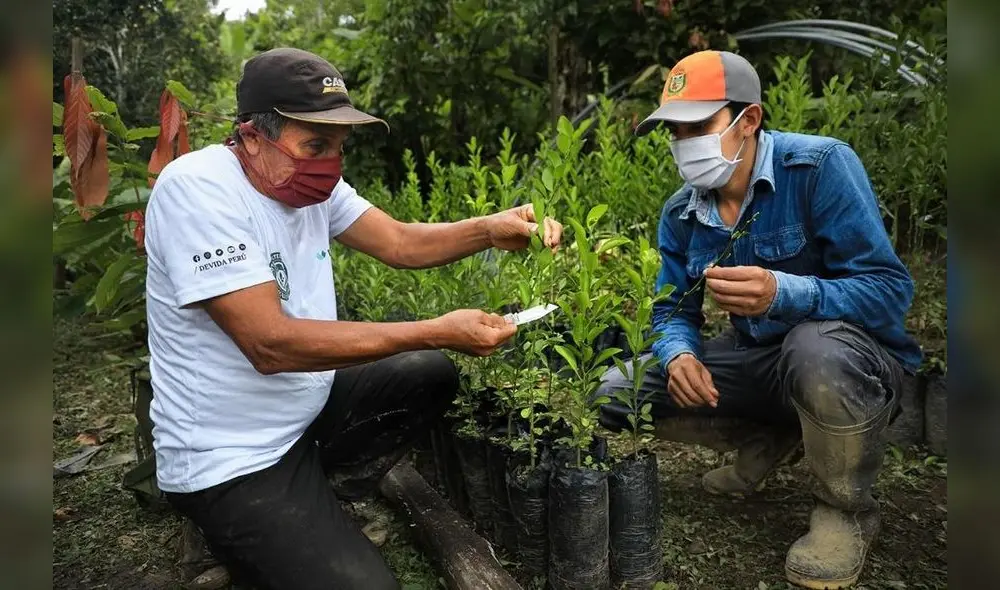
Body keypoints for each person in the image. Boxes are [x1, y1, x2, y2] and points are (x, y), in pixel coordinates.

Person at [143, 47, 563, 590]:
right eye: (316, 144)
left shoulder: (307, 180)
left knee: (425, 372)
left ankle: (316, 495)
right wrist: (435, 328)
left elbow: (399, 241)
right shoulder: (197, 190)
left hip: (301, 415)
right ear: (251, 135)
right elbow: (269, 345)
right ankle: (253, 519)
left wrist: (488, 228)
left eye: (339, 146)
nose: (330, 162)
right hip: (231, 456)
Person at [596, 50, 921, 590]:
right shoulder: (681, 212)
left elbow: (890, 293)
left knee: (812, 349)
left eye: (698, 125)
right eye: (674, 131)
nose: (684, 144)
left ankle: (845, 510)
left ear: (749, 120)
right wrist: (678, 352)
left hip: (849, 363)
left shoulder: (819, 168)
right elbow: (672, 310)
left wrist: (784, 292)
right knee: (613, 391)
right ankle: (768, 436)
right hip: (756, 361)